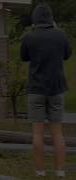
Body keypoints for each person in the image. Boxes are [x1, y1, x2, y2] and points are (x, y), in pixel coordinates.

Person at [20, 2, 72, 178]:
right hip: (56, 89)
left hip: (36, 89)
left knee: (37, 133)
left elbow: (24, 57)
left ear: (35, 18)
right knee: (57, 132)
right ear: (51, 17)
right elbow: (67, 54)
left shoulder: (29, 37)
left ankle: (40, 171)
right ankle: (60, 171)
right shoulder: (61, 35)